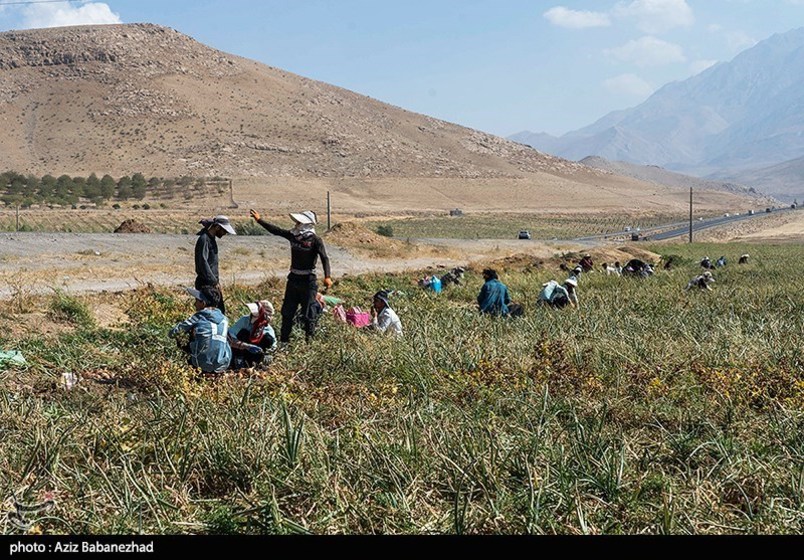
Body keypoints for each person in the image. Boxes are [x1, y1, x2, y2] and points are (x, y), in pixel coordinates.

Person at [249, 209, 332, 343]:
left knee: (308, 314)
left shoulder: (315, 240)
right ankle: (284, 342)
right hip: (293, 279)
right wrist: (259, 220)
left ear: (306, 224)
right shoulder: (294, 236)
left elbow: (325, 258)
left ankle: (309, 343)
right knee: (287, 313)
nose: (296, 224)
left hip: (308, 281)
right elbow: (276, 230)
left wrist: (327, 276)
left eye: (299, 222)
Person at [169, 286, 231, 374]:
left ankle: (193, 367)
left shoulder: (199, 316)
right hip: (221, 365)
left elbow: (174, 333)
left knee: (183, 335)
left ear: (203, 303)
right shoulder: (225, 319)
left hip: (201, 364)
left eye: (197, 301)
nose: (195, 304)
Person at [195, 215, 236, 314]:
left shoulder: (211, 239)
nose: (225, 233)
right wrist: (214, 282)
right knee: (211, 313)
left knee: (218, 312)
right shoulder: (204, 239)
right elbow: (203, 263)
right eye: (224, 230)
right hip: (206, 283)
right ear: (217, 227)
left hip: (211, 282)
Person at [228, 300, 277, 369]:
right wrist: (244, 345)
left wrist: (269, 354)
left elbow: (273, 345)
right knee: (244, 332)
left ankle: (257, 363)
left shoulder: (268, 330)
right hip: (240, 350)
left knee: (268, 339)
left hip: (256, 354)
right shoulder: (244, 320)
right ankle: (238, 361)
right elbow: (231, 333)